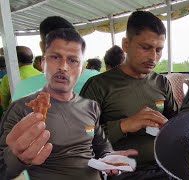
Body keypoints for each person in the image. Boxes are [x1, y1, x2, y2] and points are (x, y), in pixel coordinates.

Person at [0, 28, 137, 180]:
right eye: (55, 57)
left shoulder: (90, 106)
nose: (63, 67)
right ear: (43, 63)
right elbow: (3, 169)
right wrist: (18, 158)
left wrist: (108, 157)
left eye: (72, 60)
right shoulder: (22, 109)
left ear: (82, 68)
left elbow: (100, 143)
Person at [80, 11, 178, 180]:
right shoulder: (99, 86)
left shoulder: (161, 82)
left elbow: (175, 120)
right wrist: (124, 125)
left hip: (165, 166)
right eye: (145, 47)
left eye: (159, 50)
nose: (153, 57)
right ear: (126, 44)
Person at [0, 46, 42, 111]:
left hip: (16, 114)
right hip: (38, 113)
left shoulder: (8, 77)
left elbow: (3, 101)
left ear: (15, 60)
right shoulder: (43, 76)